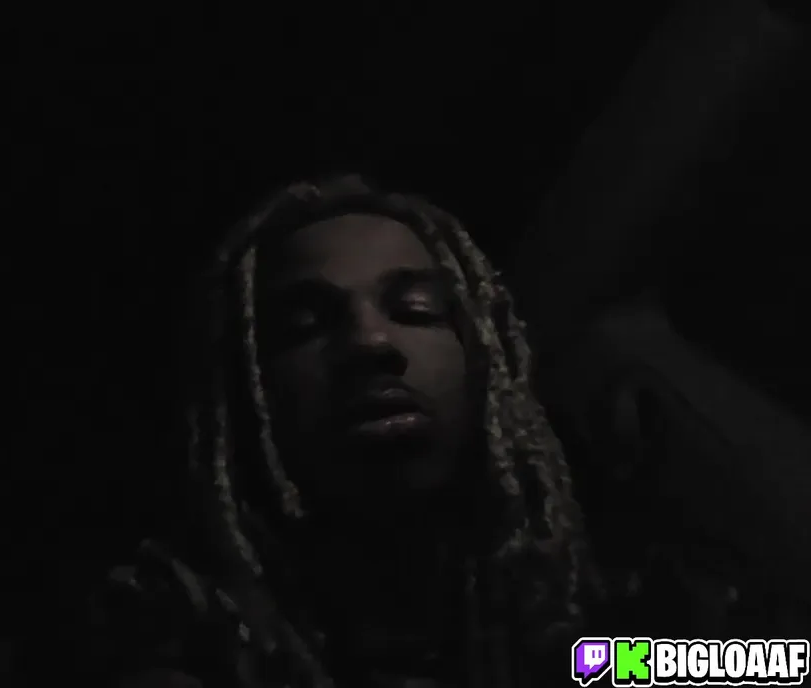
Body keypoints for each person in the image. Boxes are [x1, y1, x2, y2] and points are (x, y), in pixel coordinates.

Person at [78, 175, 601, 688]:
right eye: (304, 326)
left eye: (414, 310)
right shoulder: (178, 635)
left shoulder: (589, 622)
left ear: (485, 353)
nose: (370, 341)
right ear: (244, 389)